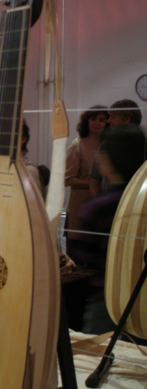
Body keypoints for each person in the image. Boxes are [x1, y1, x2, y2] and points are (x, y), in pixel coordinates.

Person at [71, 125, 146, 334]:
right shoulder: (142, 202)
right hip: (142, 299)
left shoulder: (98, 206)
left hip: (106, 299)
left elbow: (81, 254)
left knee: (99, 360)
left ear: (113, 157)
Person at [64, 105, 109, 257]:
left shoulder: (109, 145)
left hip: (103, 206)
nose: (97, 123)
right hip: (80, 204)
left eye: (101, 120)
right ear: (87, 122)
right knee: (79, 254)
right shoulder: (78, 145)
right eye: (93, 119)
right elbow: (67, 179)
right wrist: (94, 183)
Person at [89, 99, 142, 197]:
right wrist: (101, 204)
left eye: (113, 117)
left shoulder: (143, 145)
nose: (109, 121)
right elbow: (94, 178)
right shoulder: (106, 145)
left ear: (126, 120)